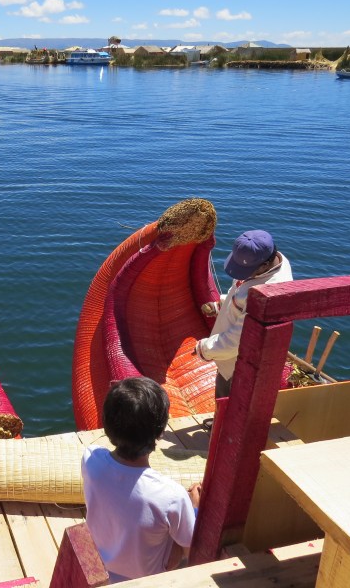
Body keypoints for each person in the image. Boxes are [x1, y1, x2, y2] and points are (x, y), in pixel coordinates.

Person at [82, 376, 201, 582]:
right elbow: (193, 552)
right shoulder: (172, 496)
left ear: (107, 425)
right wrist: (196, 507)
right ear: (161, 431)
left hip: (102, 567)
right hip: (146, 580)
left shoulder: (90, 460)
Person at [195, 229, 293, 399]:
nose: (242, 274)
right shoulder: (274, 260)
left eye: (245, 270)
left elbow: (238, 341)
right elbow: (241, 297)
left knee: (230, 395)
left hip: (242, 361)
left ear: (264, 265)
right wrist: (221, 304)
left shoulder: (264, 295)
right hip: (235, 354)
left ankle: (222, 424)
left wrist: (203, 349)